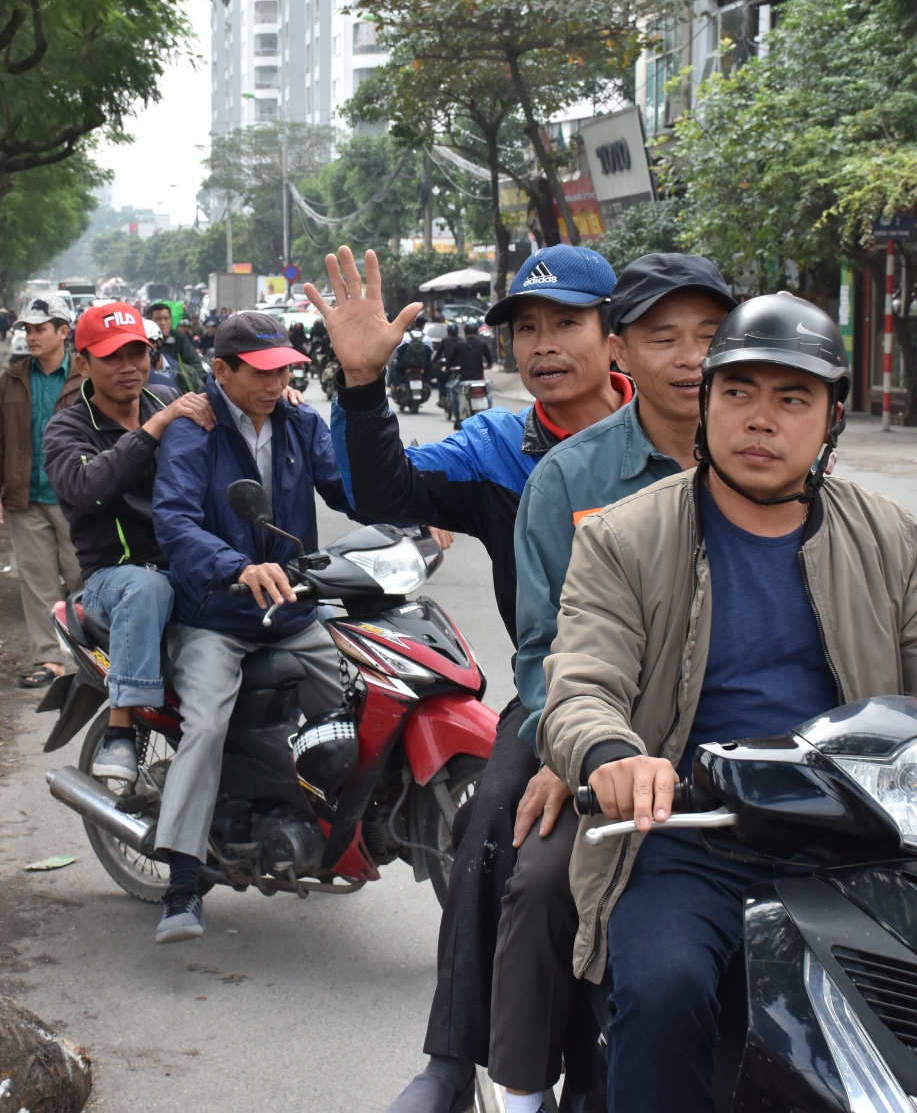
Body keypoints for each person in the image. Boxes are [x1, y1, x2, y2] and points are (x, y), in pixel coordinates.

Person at [536, 293, 917, 1112]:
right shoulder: (626, 537)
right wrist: (615, 756)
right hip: (697, 837)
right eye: (738, 393)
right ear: (705, 404)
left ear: (832, 417)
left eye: (792, 398)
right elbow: (582, 681)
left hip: (868, 834)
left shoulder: (886, 534)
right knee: (664, 990)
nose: (760, 420)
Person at [305, 244, 628, 1113]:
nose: (545, 345)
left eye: (567, 323)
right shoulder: (500, 446)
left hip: (683, 693)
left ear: (615, 337)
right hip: (557, 696)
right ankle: (454, 1062)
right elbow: (384, 492)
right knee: (490, 824)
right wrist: (363, 384)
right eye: (527, 329)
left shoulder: (674, 440)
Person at [491, 253, 735, 1113]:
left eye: (710, 337)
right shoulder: (570, 480)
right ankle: (519, 1088)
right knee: (544, 872)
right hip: (611, 748)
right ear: (625, 351)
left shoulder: (769, 466)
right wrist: (579, 746)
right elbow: (543, 649)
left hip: (748, 757)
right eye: (665, 338)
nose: (691, 359)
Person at [150, 310, 357, 944]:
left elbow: (348, 485)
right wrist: (237, 569)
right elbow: (176, 521)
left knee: (357, 697)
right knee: (206, 721)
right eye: (263, 372)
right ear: (222, 372)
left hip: (293, 608)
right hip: (218, 613)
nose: (277, 382)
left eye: (286, 370)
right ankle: (183, 881)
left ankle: (328, 822)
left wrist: (417, 509)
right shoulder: (194, 431)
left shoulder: (300, 420)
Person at [45, 302, 216, 779]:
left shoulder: (167, 395)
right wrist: (154, 428)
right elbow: (89, 490)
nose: (129, 367)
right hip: (115, 578)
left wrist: (279, 396)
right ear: (83, 363)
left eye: (137, 353)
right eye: (113, 356)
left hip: (185, 561)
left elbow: (232, 418)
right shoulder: (68, 428)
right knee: (148, 588)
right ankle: (122, 726)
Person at [0, 299, 84, 690]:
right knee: (38, 583)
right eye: (27, 329)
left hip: (77, 498)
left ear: (63, 331)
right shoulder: (13, 379)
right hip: (26, 497)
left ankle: (96, 656)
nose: (31, 336)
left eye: (40, 328)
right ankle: (49, 660)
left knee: (83, 579)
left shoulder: (86, 377)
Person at [148, 301, 205, 393]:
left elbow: (196, 364)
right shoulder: (145, 341)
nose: (163, 323)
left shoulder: (180, 338)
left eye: (166, 318)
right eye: (158, 319)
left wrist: (186, 384)